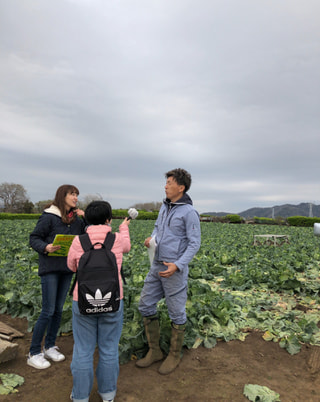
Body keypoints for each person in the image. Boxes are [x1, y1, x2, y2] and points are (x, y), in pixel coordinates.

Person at [136, 168, 201, 375]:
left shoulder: (189, 212)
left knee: (176, 312)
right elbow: (157, 228)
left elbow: (194, 244)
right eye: (166, 182)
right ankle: (155, 351)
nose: (165, 186)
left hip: (174, 270)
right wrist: (151, 239)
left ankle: (174, 354)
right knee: (145, 304)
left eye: (170, 182)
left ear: (180, 187)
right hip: (156, 264)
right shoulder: (164, 207)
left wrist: (178, 265)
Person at [67, 201, 131, 402]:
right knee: (109, 348)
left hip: (83, 301)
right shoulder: (117, 240)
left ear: (87, 219)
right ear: (108, 219)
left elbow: (71, 266)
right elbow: (127, 247)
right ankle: (108, 394)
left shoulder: (79, 241)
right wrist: (124, 228)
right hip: (113, 300)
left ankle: (80, 397)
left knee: (83, 349)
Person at [27, 184, 86, 370]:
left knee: (59, 310)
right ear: (63, 196)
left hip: (67, 269)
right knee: (48, 310)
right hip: (50, 268)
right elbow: (34, 238)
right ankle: (34, 352)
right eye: (72, 194)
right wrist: (46, 247)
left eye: (77, 194)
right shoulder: (49, 217)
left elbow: (87, 236)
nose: (75, 197)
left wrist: (87, 218)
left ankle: (50, 346)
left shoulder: (76, 220)